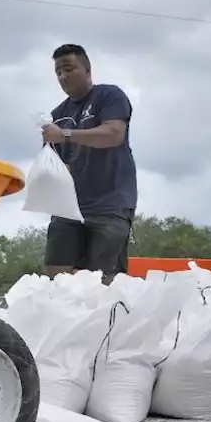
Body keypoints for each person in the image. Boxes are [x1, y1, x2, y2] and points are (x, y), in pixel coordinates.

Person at [40, 44, 138, 284]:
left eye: (69, 69)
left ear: (87, 70)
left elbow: (113, 134)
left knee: (103, 280)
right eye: (58, 73)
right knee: (58, 277)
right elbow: (54, 164)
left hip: (110, 205)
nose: (63, 76)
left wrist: (65, 134)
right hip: (68, 207)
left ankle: (107, 319)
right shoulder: (57, 114)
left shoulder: (109, 95)